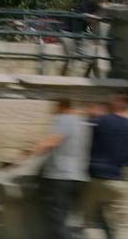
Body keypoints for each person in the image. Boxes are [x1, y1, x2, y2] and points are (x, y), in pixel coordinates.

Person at [23, 98, 91, 239]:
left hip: (59, 176)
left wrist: (28, 153)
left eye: (55, 108)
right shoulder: (83, 123)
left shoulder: (65, 119)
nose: (53, 112)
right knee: (62, 218)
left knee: (55, 220)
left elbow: (52, 141)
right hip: (77, 177)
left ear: (62, 107)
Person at [83, 94, 128, 239]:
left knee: (91, 221)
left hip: (95, 177)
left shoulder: (101, 121)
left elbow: (86, 123)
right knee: (122, 225)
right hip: (120, 179)